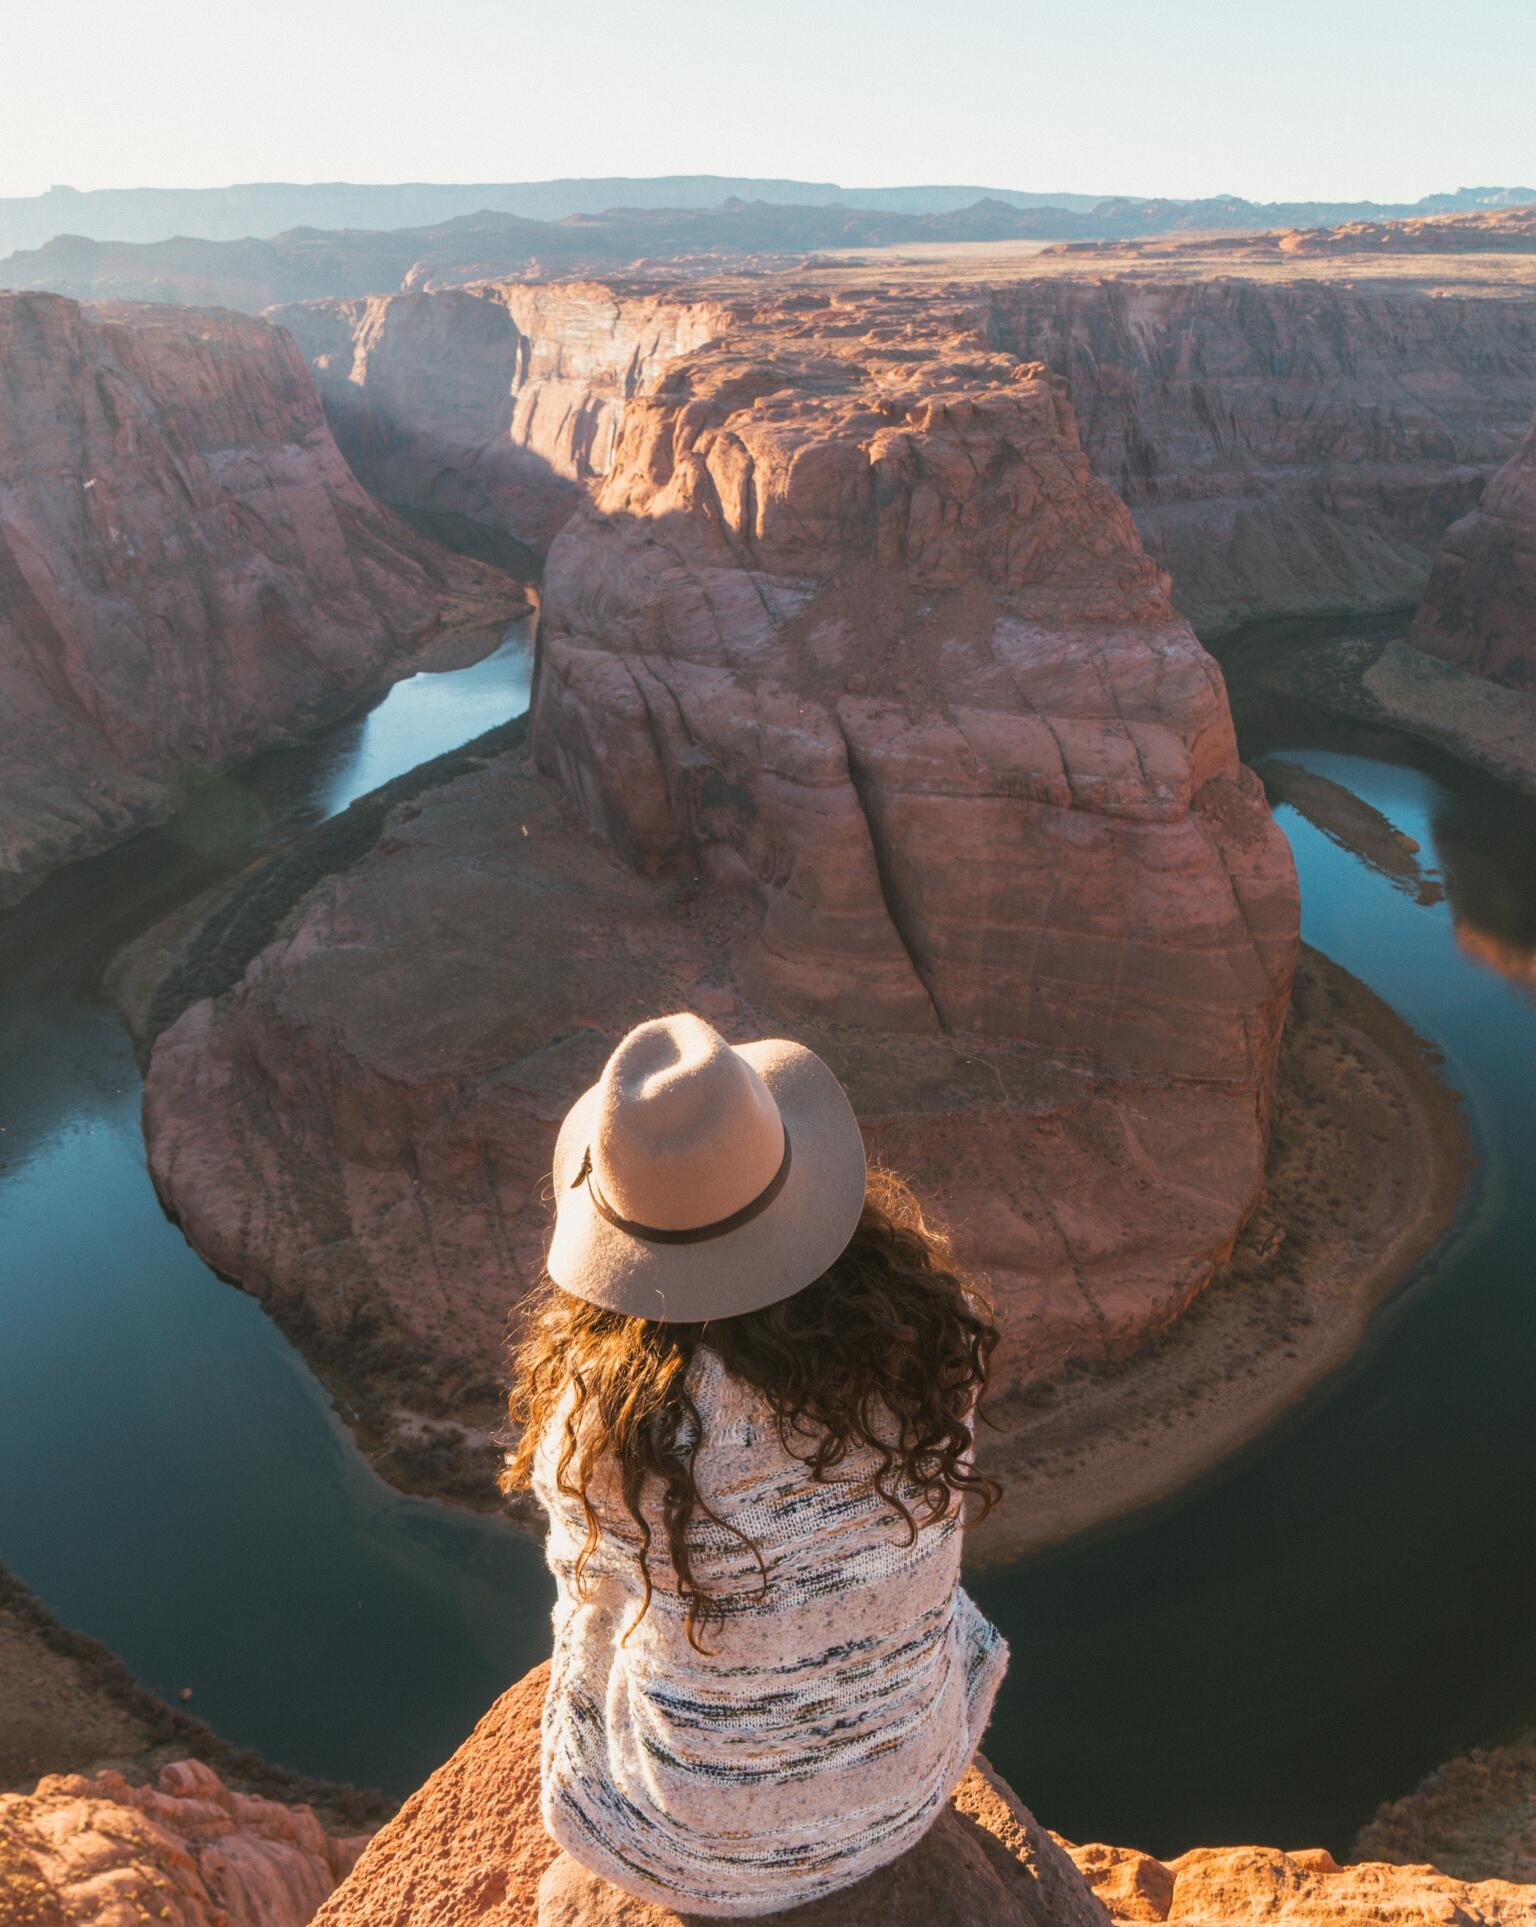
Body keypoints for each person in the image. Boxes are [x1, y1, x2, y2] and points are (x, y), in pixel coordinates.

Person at [503, 1012, 1008, 1918]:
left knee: (594, 1626)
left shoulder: (603, 1432)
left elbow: (594, 1595)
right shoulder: (928, 1348)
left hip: (696, 1848)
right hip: (904, 1793)